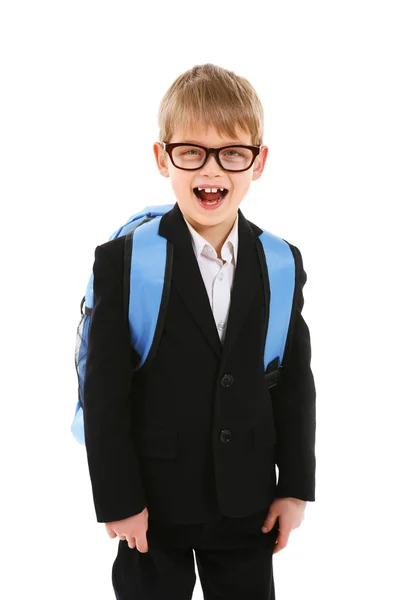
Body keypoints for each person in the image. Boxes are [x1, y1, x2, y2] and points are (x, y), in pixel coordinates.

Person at [83, 63, 316, 600]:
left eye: (232, 153)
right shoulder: (123, 261)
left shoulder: (279, 261)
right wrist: (118, 498)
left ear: (258, 163)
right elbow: (105, 393)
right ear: (163, 157)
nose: (212, 170)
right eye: (192, 151)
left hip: (248, 504)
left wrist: (295, 487)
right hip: (152, 505)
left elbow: (293, 382)